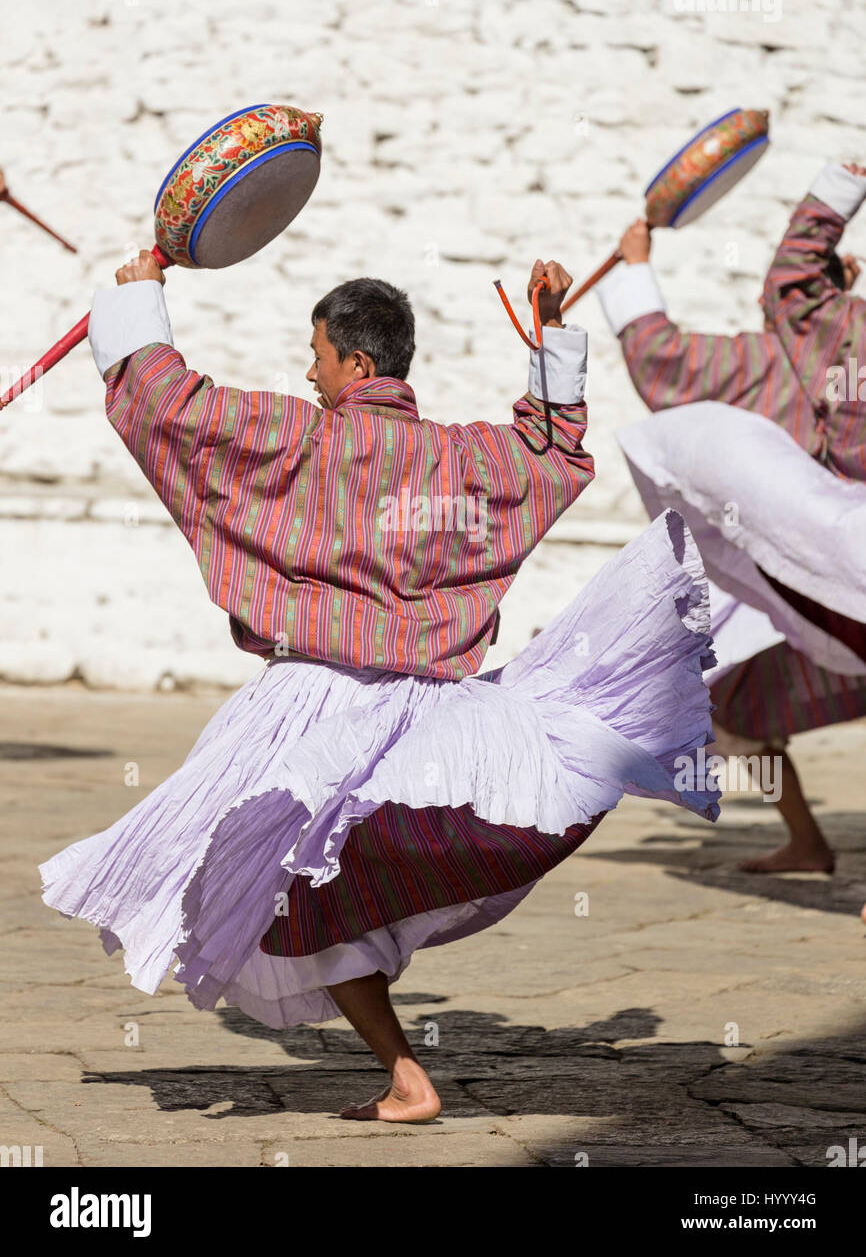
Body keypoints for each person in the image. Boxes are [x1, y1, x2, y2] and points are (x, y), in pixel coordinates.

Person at [41, 251, 718, 1122]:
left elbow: (174, 413)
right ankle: (406, 1075)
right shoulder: (464, 463)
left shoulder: (299, 441)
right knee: (306, 895)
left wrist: (141, 292)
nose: (308, 370)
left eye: (317, 354)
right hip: (424, 717)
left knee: (281, 890)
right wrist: (550, 337)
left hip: (312, 711)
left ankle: (404, 1071)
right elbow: (551, 449)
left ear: (358, 366)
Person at [597, 160, 866, 877]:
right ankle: (807, 840)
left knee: (730, 700)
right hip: (815, 576)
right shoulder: (822, 340)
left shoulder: (768, 359)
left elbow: (663, 361)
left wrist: (633, 271)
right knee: (737, 701)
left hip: (797, 577)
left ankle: (807, 837)